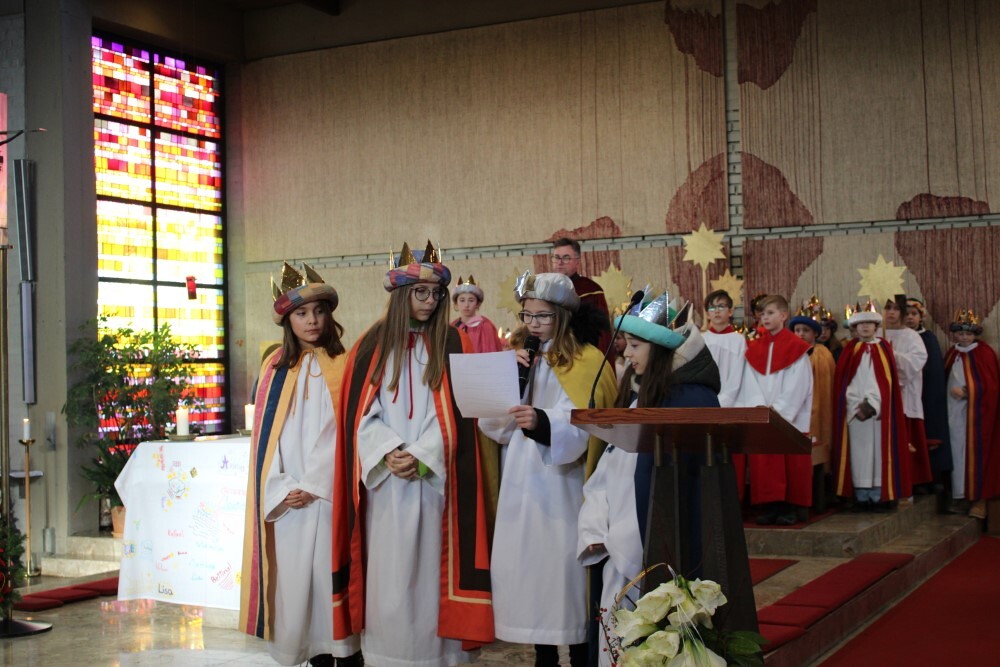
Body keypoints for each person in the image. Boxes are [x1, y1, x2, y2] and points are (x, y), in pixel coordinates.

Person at [330, 242, 494, 667]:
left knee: (430, 575)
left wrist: (423, 453)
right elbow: (359, 415)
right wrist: (387, 451)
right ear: (401, 294)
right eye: (421, 292)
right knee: (389, 577)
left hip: (437, 482)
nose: (430, 301)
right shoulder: (370, 345)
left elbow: (462, 414)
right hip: (386, 486)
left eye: (436, 293)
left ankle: (439, 657)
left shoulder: (454, 343)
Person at [479, 271, 617, 667]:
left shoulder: (587, 361)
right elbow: (494, 425)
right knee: (531, 573)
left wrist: (543, 423)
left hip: (564, 485)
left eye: (542, 316)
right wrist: (507, 382)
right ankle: (542, 655)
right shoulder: (520, 356)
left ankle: (579, 652)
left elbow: (590, 425)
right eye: (527, 315)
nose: (533, 324)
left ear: (563, 315)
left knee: (563, 577)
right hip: (522, 483)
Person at [578, 292, 719, 666]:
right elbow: (607, 471)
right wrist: (595, 528)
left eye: (635, 345)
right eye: (626, 344)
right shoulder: (639, 397)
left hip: (654, 553)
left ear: (661, 349)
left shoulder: (689, 400)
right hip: (619, 549)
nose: (626, 353)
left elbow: (683, 486)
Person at [239, 263, 362, 667]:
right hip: (288, 499)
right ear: (287, 321)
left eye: (319, 312)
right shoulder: (274, 367)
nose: (312, 321)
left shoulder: (344, 363)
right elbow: (266, 439)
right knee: (294, 585)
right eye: (302, 313)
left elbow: (344, 430)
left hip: (328, 494)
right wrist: (281, 486)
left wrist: (314, 483)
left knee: (329, 580)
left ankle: (344, 654)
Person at [741, 294, 814, 525]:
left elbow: (799, 384)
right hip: (763, 414)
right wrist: (758, 406)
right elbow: (749, 381)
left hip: (788, 416)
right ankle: (770, 506)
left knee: (790, 462)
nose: (765, 317)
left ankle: (790, 507)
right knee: (766, 462)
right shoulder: (754, 348)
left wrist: (779, 410)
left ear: (783, 315)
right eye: (762, 314)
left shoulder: (797, 348)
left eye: (770, 313)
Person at [832, 302, 911, 512]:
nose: (865, 327)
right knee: (858, 456)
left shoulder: (884, 349)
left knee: (879, 455)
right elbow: (845, 382)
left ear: (876, 326)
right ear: (854, 327)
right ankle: (861, 496)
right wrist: (854, 404)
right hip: (855, 413)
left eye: (869, 323)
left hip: (878, 414)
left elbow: (886, 382)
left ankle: (879, 496)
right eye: (861, 324)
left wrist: (873, 404)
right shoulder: (850, 350)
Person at [944, 309, 1000, 518]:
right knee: (956, 455)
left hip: (975, 416)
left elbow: (992, 386)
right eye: (960, 333)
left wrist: (968, 391)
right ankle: (959, 496)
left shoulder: (984, 353)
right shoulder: (952, 353)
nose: (964, 337)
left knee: (974, 454)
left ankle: (978, 498)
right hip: (953, 414)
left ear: (975, 334)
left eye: (968, 333)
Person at [905, 298, 953, 507]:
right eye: (906, 314)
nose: (910, 318)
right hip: (908, 395)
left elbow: (933, 371)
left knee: (930, 435)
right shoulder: (899, 337)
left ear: (921, 317)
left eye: (914, 314)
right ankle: (914, 480)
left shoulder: (928, 338)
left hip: (927, 396)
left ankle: (932, 478)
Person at [881, 297, 932, 493]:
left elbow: (916, 362)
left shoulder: (912, 336)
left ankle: (910, 482)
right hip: (880, 398)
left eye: (896, 308)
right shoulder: (876, 333)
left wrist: (892, 355)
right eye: (887, 308)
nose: (891, 312)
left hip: (905, 395)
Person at [788, 305, 836, 512]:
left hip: (818, 407)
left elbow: (824, 386)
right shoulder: (790, 353)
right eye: (797, 330)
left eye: (805, 331)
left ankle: (820, 495)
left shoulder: (821, 354)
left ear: (815, 334)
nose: (800, 334)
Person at [549, 237, 612, 355]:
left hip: (581, 354)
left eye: (566, 258)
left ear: (577, 262)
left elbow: (603, 336)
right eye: (556, 257)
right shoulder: (546, 290)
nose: (560, 262)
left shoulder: (591, 290)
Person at [702, 289, 758, 408]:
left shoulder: (738, 340)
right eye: (712, 308)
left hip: (733, 400)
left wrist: (724, 400)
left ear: (730, 311)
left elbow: (738, 374)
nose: (717, 311)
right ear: (707, 314)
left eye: (721, 306)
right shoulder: (702, 340)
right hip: (706, 399)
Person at [451, 275, 504, 353]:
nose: (466, 305)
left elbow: (491, 352)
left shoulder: (485, 326)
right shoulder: (453, 327)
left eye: (471, 300)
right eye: (462, 300)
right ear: (456, 303)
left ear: (477, 304)